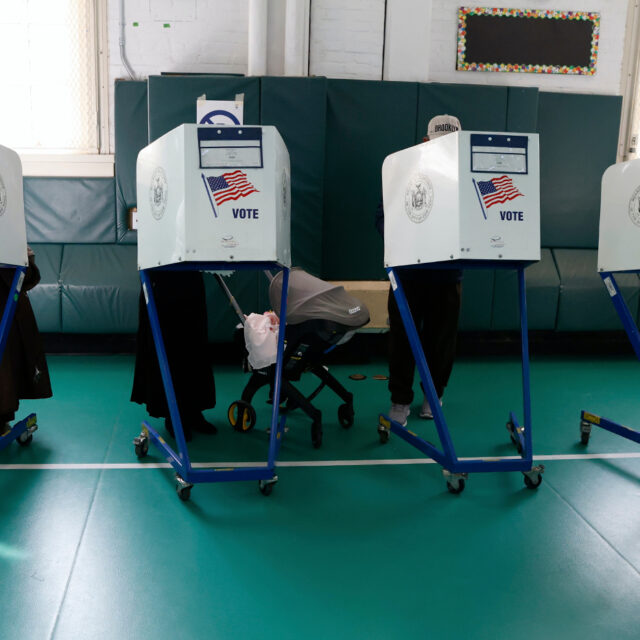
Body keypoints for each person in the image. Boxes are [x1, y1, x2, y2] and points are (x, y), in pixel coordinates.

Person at [376, 114, 462, 426]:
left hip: (447, 273)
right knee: (401, 338)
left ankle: (433, 395)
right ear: (425, 142)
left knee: (441, 339)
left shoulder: (465, 176)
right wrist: (399, 235)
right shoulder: (403, 170)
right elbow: (381, 215)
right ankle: (399, 400)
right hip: (408, 272)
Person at [131, 271, 217, 441]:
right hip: (160, 277)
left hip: (189, 275)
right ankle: (172, 414)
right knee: (169, 348)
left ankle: (193, 411)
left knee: (194, 345)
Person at [0, 247, 52, 433]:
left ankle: (2, 421)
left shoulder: (10, 234)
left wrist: (25, 257)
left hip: (9, 313)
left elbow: (26, 279)